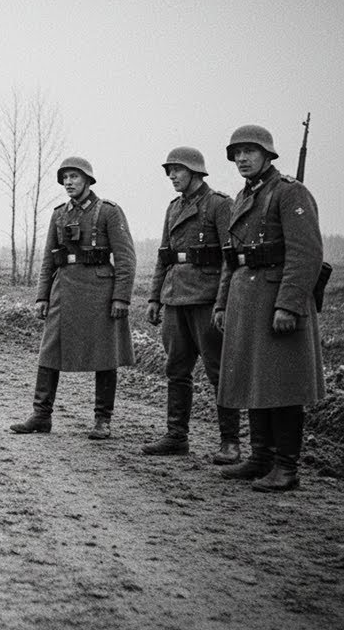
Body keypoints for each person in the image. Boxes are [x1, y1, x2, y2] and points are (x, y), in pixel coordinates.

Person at [217, 125, 325, 492]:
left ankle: (286, 467)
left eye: (250, 151)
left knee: (281, 386)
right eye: (237, 153)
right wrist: (221, 304)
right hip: (246, 301)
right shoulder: (244, 197)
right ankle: (260, 458)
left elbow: (306, 254)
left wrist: (290, 305)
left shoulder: (289, 192)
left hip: (276, 302)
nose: (242, 159)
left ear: (267, 155)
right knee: (255, 380)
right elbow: (231, 259)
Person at [11, 156, 136, 439]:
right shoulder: (59, 213)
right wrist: (42, 296)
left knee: (105, 355)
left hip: (100, 293)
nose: (68, 182)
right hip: (64, 291)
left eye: (74, 177)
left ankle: (102, 421)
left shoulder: (108, 212)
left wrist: (121, 298)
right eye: (65, 177)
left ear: (88, 180)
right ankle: (41, 416)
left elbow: (126, 258)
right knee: (49, 350)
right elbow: (48, 260)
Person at [143, 147, 241, 464]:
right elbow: (164, 256)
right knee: (176, 369)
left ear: (195, 172)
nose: (171, 176)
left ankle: (230, 443)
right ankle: (176, 436)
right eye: (169, 171)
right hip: (175, 298)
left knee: (218, 371)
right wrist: (155, 297)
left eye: (177, 170)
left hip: (206, 298)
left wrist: (223, 302)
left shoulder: (219, 205)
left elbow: (231, 258)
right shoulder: (174, 207)